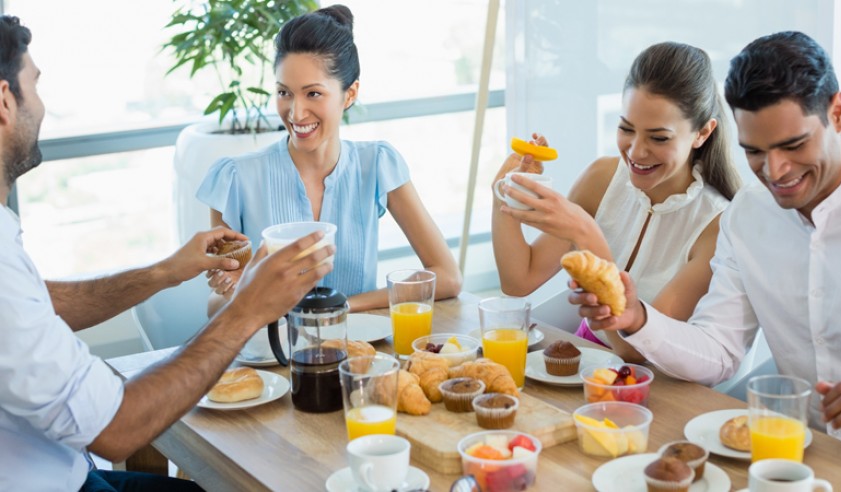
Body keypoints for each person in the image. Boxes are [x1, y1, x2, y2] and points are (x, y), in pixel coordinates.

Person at [0, 16, 334, 491]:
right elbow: (117, 429)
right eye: (34, 85)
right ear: (5, 101)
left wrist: (163, 272)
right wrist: (248, 309)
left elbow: (36, 303)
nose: (42, 104)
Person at [573, 31, 841, 451]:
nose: (776, 171)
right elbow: (718, 352)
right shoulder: (748, 215)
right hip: (794, 453)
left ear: (838, 113)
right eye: (754, 152)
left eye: (793, 145)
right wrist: (638, 319)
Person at [197, 5, 462, 315]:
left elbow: (447, 277)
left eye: (313, 94)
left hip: (357, 353)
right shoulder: (236, 179)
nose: (295, 113)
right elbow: (215, 307)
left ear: (349, 95)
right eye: (284, 93)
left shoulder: (376, 165)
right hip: (270, 356)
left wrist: (340, 308)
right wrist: (235, 289)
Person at [491, 42, 740, 362]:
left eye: (658, 137)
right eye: (626, 128)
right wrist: (503, 192)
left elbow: (636, 352)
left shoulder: (717, 226)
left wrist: (588, 238)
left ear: (702, 133)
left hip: (652, 387)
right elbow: (518, 280)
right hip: (583, 360)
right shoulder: (602, 178)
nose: (636, 151)